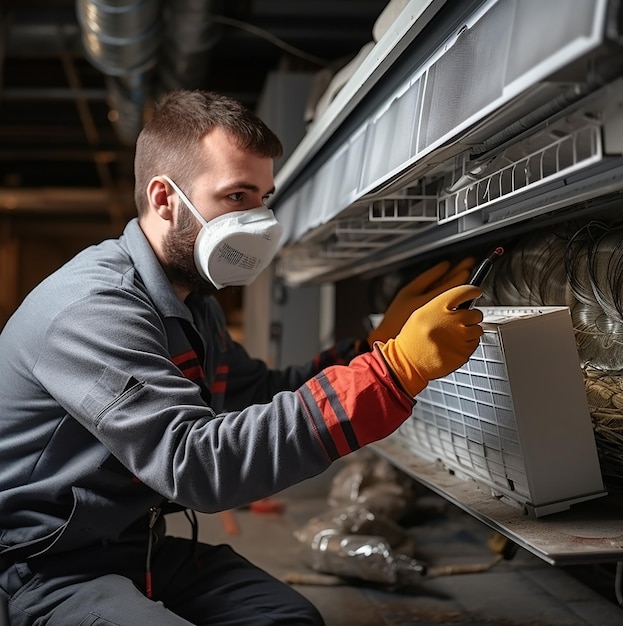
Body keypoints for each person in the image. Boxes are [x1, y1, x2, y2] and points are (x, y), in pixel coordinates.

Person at [0, 89, 483, 626]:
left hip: (134, 546)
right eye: (237, 196)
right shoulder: (94, 310)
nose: (260, 222)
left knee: (287, 620)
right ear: (164, 199)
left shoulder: (189, 303)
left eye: (264, 198)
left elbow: (255, 394)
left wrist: (375, 349)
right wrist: (393, 374)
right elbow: (197, 464)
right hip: (45, 565)